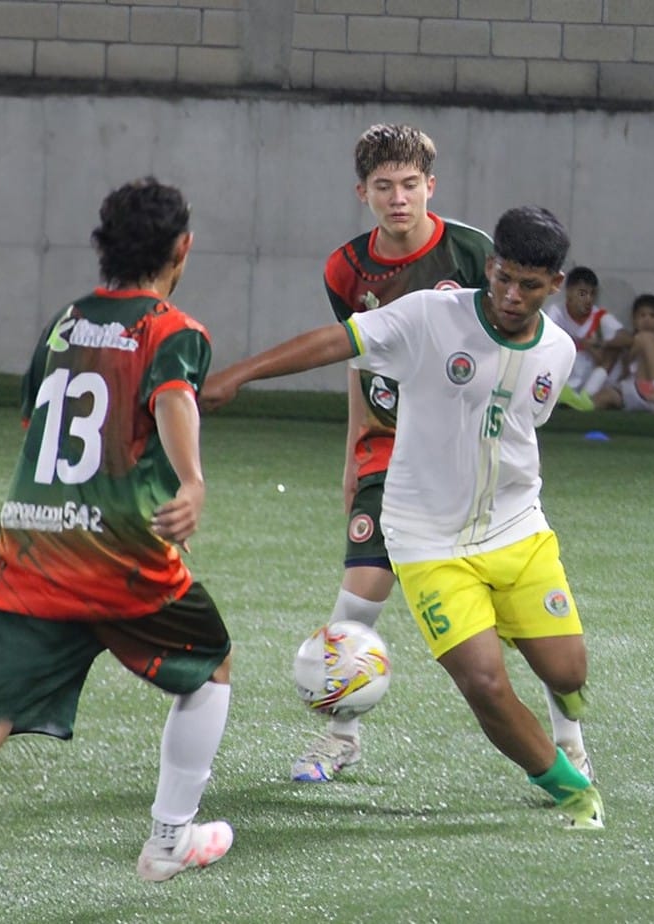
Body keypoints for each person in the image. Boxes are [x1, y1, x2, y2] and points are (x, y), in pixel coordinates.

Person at [0, 178, 235, 915]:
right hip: (120, 556)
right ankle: (169, 840)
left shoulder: (66, 322)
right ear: (182, 249)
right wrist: (191, 480)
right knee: (212, 667)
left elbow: (33, 422)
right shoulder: (175, 331)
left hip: (29, 548)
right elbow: (172, 398)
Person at [202, 206, 604, 830]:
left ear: (555, 285)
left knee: (567, 671)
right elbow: (339, 341)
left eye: (529, 285)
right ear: (490, 266)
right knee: (486, 686)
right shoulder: (428, 315)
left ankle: (552, 698)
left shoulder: (558, 350)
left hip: (518, 532)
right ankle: (571, 790)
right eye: (502, 277)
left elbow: (522, 427)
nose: (510, 294)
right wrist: (240, 375)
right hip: (426, 542)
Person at [291, 123, 492, 783]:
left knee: (502, 629)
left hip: (463, 456)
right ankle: (340, 736)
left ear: (430, 186)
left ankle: (563, 740)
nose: (398, 197)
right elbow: (358, 357)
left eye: (410, 184)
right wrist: (353, 451)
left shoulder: (472, 254)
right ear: (363, 192)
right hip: (387, 451)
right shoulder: (344, 269)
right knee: (359, 599)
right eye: (385, 186)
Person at [545, 266, 631, 411]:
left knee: (614, 349)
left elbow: (627, 338)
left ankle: (584, 399)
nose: (588, 300)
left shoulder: (599, 316)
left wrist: (599, 343)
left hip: (591, 384)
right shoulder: (556, 313)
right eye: (582, 294)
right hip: (564, 379)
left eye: (592, 294)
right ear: (569, 293)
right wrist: (580, 343)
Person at [600, 293, 654, 413]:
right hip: (630, 390)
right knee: (602, 397)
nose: (647, 319)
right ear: (634, 320)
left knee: (648, 338)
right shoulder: (629, 339)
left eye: (652, 316)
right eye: (642, 315)